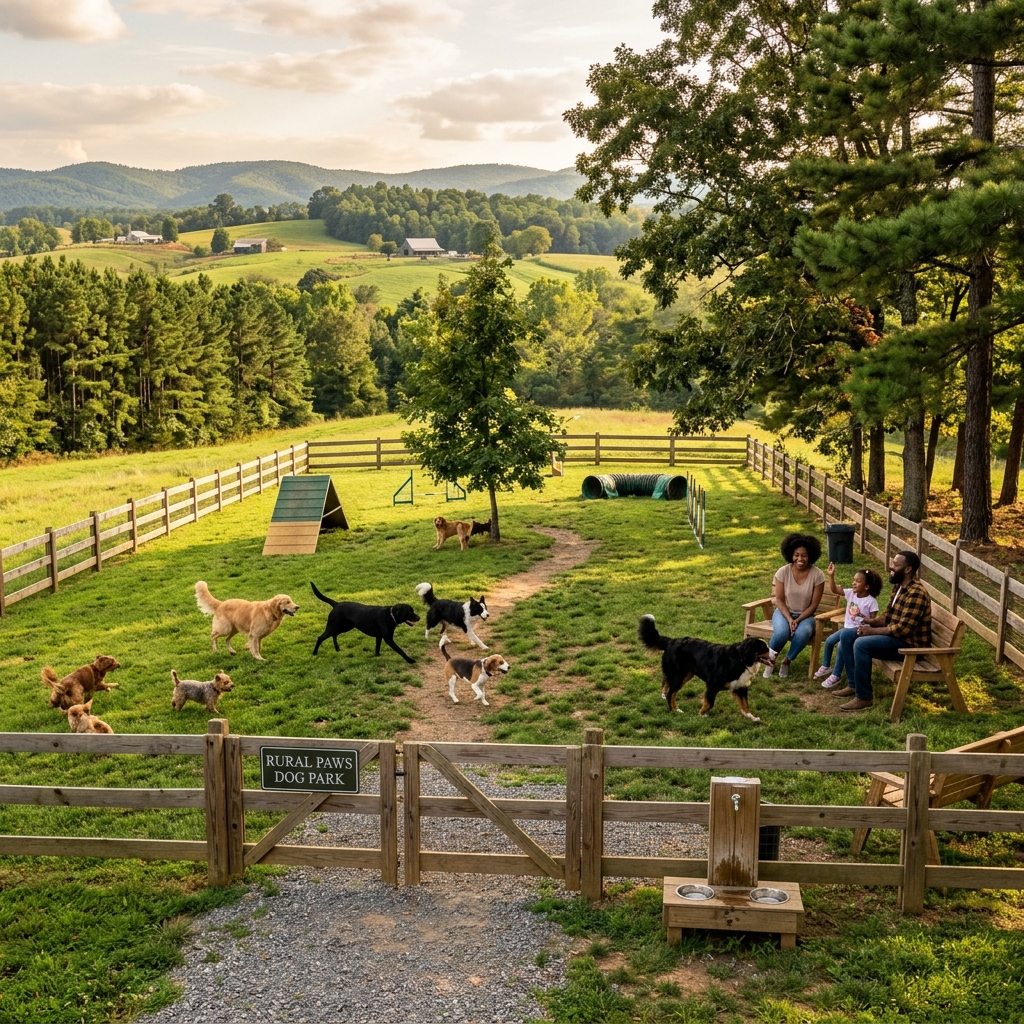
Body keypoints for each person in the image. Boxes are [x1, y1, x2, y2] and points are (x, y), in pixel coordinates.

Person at [832, 550, 931, 711]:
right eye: (892, 563)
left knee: (862, 644)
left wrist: (871, 631)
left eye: (896, 565)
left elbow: (903, 629)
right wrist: (868, 621)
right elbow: (887, 616)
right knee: (848, 635)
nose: (891, 567)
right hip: (897, 639)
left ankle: (864, 697)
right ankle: (854, 685)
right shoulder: (899, 587)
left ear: (908, 569)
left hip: (910, 646)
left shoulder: (916, 593)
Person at [764, 532, 826, 678]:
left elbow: (814, 605)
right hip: (784, 612)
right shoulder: (783, 572)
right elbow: (779, 599)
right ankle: (770, 660)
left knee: (802, 633)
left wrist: (797, 620)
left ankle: (787, 661)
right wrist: (790, 619)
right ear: (791, 555)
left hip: (806, 615)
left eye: (804, 555)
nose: (800, 559)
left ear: (810, 555)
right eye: (796, 555)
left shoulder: (818, 575)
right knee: (781, 633)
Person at [813, 564, 883, 688]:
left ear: (866, 586)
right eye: (854, 580)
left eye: (858, 581)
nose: (854, 583)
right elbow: (835, 590)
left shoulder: (871, 602)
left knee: (840, 647)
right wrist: (831, 575)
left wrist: (863, 620)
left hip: (858, 631)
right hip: (847, 628)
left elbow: (872, 621)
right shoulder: (851, 594)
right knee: (829, 641)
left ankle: (836, 674)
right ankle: (826, 666)